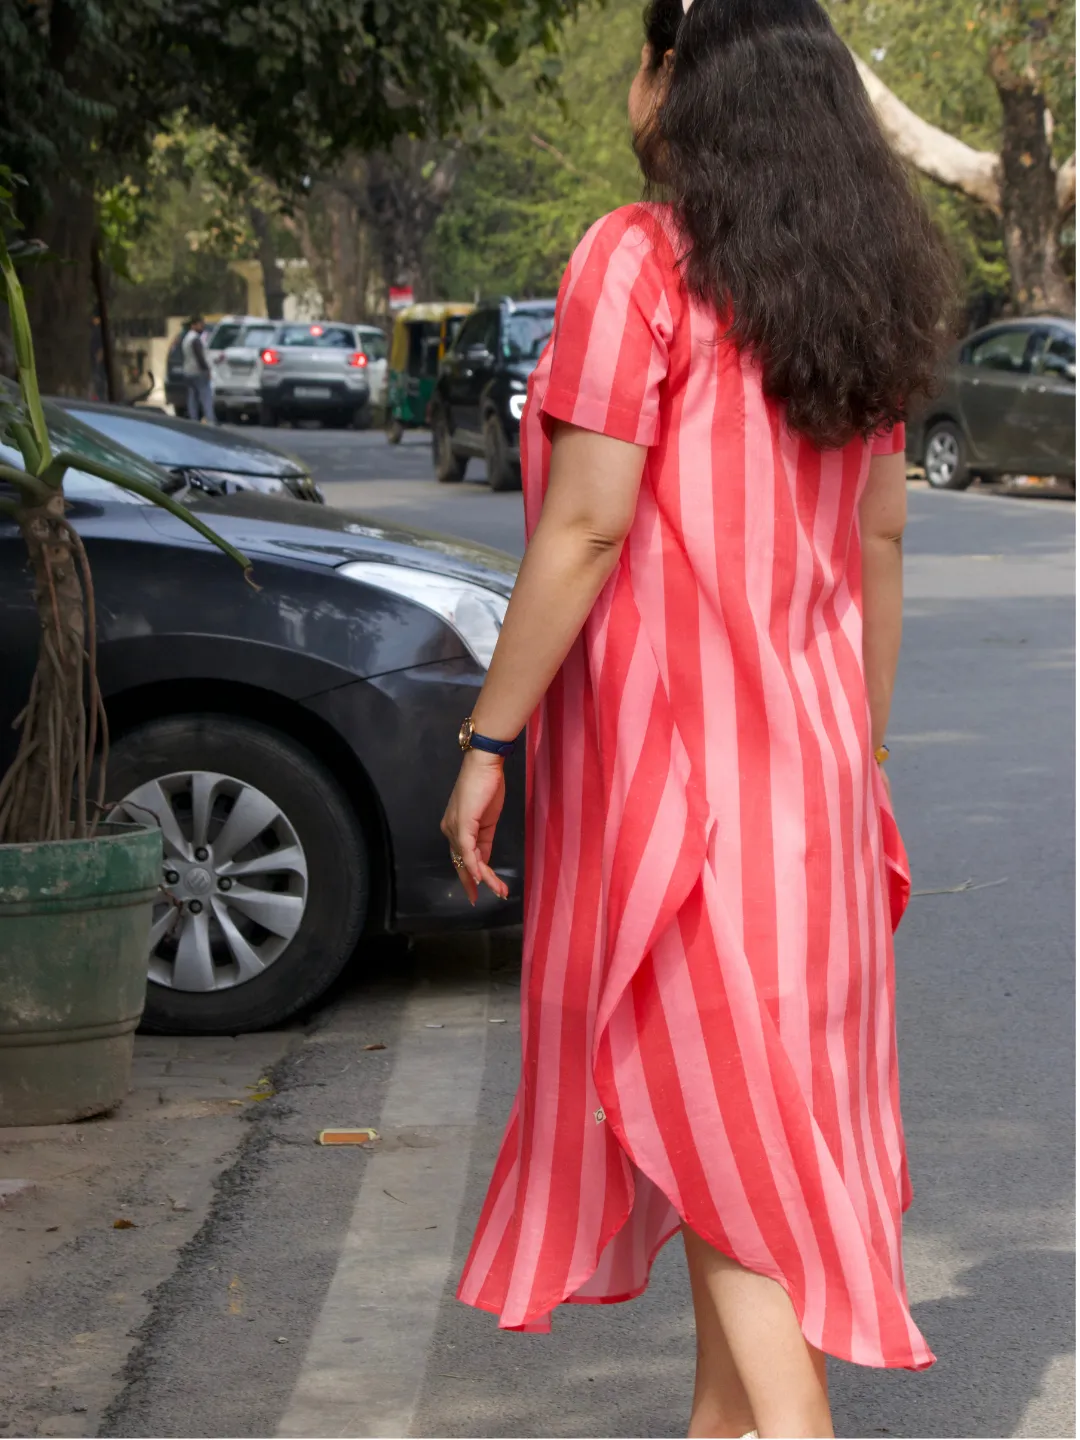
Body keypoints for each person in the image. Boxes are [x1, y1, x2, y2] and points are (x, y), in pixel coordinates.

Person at [440, 1, 955, 1435]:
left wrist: (488, 740)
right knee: (744, 1218)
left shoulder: (636, 259)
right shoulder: (864, 279)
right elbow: (884, 546)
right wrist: (855, 757)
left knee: (735, 1208)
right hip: (818, 817)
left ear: (679, 78)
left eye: (642, 52)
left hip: (684, 834)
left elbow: (589, 525)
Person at [181, 316, 214, 423]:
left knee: (192, 397)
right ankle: (210, 420)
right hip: (198, 372)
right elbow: (199, 356)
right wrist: (206, 369)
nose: (202, 326)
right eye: (200, 324)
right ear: (193, 325)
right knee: (206, 397)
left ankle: (193, 420)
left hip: (188, 371)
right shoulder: (195, 339)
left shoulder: (186, 338)